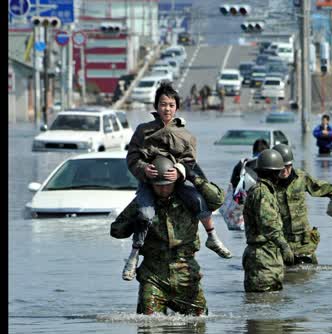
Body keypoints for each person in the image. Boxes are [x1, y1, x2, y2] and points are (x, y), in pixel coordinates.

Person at [123, 83, 232, 280]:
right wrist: (143, 169)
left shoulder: (185, 134)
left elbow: (190, 159)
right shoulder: (143, 131)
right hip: (151, 181)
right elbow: (132, 157)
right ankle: (133, 254)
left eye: (171, 105)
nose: (167, 108)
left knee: (199, 201)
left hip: (178, 181)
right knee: (145, 213)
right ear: (156, 106)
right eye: (163, 104)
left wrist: (180, 171)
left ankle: (213, 237)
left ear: (176, 107)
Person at [110, 155, 225, 316]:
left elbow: (218, 199)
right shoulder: (143, 205)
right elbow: (116, 231)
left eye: (167, 185)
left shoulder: (189, 200)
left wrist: (190, 174)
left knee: (197, 329)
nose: (163, 189)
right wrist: (136, 220)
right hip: (153, 276)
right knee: (148, 331)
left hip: (186, 275)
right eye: (159, 186)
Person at [272, 144, 332, 264]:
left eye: (288, 166)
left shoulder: (301, 178)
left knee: (310, 274)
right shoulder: (269, 184)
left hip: (303, 241)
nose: (285, 170)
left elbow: (318, 187)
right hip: (281, 241)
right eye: (281, 166)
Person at [242, 149, 295, 292]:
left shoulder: (263, 190)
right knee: (264, 306)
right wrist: (284, 246)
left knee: (271, 305)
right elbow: (269, 224)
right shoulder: (262, 192)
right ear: (274, 173)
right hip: (262, 259)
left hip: (267, 257)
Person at [219, 138, 270, 231]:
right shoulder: (269, 164)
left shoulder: (242, 163)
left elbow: (233, 185)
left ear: (253, 150)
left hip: (242, 204)